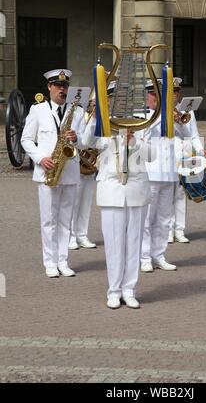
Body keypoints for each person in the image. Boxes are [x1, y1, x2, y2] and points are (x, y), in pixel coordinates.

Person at [82, 82, 156, 309]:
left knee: (134, 242)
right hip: (112, 189)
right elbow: (86, 143)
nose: (114, 102)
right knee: (114, 243)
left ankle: (129, 289)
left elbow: (152, 154)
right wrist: (94, 118)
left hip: (136, 188)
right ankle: (113, 290)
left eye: (116, 98)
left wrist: (134, 141)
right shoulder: (102, 124)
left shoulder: (140, 121)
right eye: (109, 99)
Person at [21, 69, 84, 278]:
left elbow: (86, 142)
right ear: (49, 87)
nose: (62, 89)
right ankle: (50, 262)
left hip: (70, 171)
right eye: (58, 86)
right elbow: (26, 140)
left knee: (66, 219)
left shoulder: (78, 111)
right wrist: (40, 158)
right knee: (49, 220)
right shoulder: (37, 110)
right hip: (48, 171)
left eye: (65, 86)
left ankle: (63, 261)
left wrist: (76, 139)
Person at [140, 80, 190, 273]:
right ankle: (144, 256)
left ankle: (158, 255)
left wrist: (176, 120)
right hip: (151, 172)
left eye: (160, 95)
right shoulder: (144, 116)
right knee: (147, 219)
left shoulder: (171, 116)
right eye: (154, 95)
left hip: (169, 173)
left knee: (164, 218)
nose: (155, 99)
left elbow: (185, 135)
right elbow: (143, 138)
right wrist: (162, 115)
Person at [168, 78, 206, 244]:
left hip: (185, 154)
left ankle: (179, 229)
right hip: (168, 155)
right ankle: (168, 229)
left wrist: (200, 150)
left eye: (176, 92)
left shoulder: (187, 111)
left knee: (182, 193)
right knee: (167, 193)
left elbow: (194, 134)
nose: (174, 96)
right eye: (171, 92)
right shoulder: (160, 111)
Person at [69, 90, 97, 250]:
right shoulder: (81, 115)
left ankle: (82, 234)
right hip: (78, 161)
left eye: (96, 104)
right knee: (74, 201)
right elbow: (79, 138)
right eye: (92, 104)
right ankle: (71, 235)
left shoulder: (99, 118)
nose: (94, 106)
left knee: (86, 201)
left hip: (91, 163)